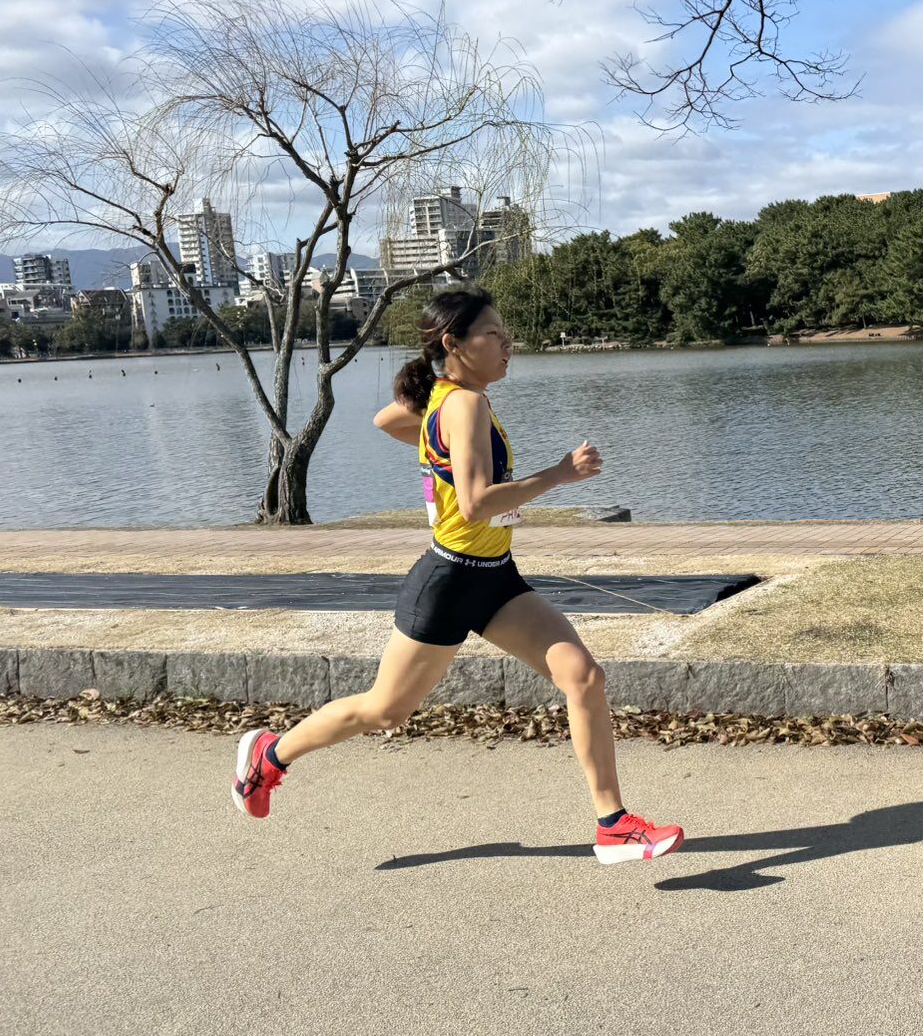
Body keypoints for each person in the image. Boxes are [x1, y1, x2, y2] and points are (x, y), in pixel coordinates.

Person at [232, 285, 683, 864]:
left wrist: (434, 442)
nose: (506, 344)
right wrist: (558, 474)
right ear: (455, 343)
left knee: (583, 678)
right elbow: (473, 504)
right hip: (446, 583)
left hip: (494, 577)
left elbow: (387, 419)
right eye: (493, 334)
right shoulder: (464, 403)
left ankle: (614, 826)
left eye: (505, 334)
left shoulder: (455, 397)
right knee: (385, 711)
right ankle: (269, 757)